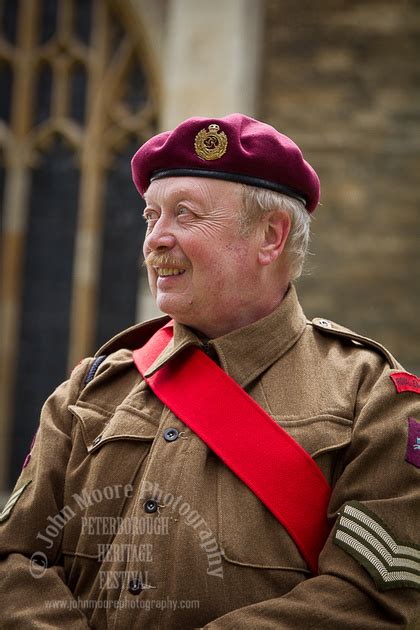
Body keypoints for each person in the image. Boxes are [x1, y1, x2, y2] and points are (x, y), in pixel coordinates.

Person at [0, 113, 419, 629]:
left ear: (270, 236)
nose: (155, 239)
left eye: (185, 215)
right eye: (151, 216)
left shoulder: (375, 397)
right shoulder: (91, 388)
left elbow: (373, 600)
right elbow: (14, 558)